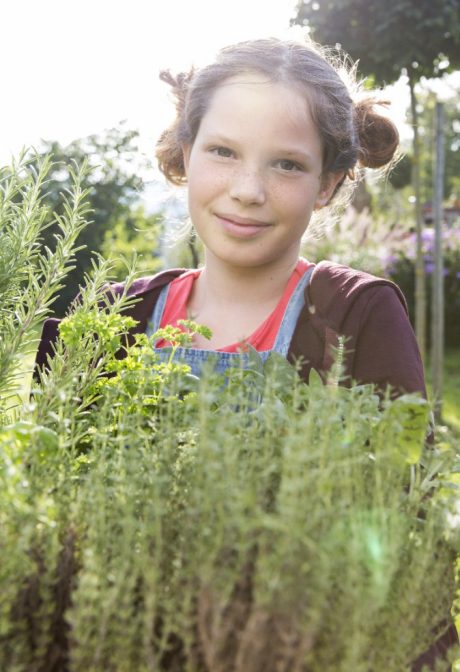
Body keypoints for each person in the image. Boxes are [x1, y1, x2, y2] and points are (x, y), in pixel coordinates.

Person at [35, 37, 457, 669]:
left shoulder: (355, 315)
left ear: (329, 182)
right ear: (184, 155)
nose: (248, 189)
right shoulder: (108, 319)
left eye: (286, 164)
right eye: (223, 152)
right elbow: (46, 522)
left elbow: (404, 537)